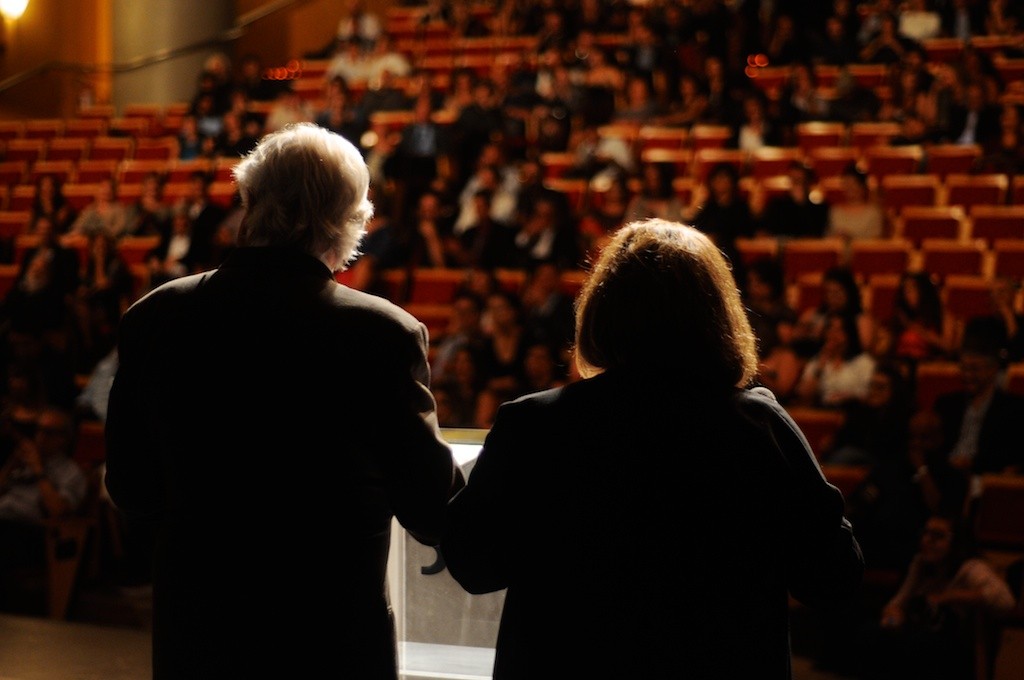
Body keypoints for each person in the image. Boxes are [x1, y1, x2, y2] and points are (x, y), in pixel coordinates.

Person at [103, 123, 465, 680]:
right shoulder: (382, 334)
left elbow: (132, 489)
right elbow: (432, 507)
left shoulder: (153, 318)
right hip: (331, 642)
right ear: (349, 220)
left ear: (249, 201)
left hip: (198, 639)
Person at [441, 219, 864, 679]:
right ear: (717, 318)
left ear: (601, 311)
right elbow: (833, 577)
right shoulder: (756, 427)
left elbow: (472, 564)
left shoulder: (535, 424)